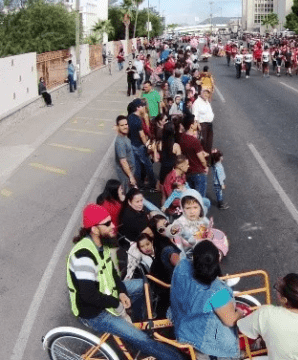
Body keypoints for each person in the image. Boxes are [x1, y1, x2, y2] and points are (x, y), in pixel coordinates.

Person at [67, 204, 184, 360]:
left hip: (109, 294)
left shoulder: (102, 244)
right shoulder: (84, 256)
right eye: (107, 224)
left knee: (145, 285)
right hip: (95, 312)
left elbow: (113, 274)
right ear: (94, 229)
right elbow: (89, 296)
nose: (113, 226)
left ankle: (136, 322)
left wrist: (121, 291)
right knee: (145, 341)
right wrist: (117, 304)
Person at [169, 241, 242, 360]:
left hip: (183, 327)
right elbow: (230, 321)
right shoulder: (218, 291)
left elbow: (175, 258)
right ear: (217, 260)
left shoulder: (182, 266)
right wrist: (240, 312)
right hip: (206, 341)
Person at [127, 99, 157, 191]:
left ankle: (140, 185)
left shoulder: (129, 117)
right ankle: (153, 184)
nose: (144, 107)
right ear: (138, 108)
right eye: (142, 106)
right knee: (148, 165)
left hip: (132, 145)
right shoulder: (138, 120)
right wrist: (148, 146)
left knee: (137, 167)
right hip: (139, 146)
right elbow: (142, 136)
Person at [180, 113, 209, 197]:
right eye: (195, 122)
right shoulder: (194, 141)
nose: (197, 123)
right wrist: (205, 166)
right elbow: (201, 159)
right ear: (191, 126)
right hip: (198, 172)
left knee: (191, 197)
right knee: (200, 199)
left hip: (188, 172)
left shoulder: (182, 138)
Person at [114, 115, 137, 192]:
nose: (125, 127)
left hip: (129, 172)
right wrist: (130, 176)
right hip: (125, 175)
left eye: (126, 124)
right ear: (118, 127)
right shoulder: (120, 142)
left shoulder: (125, 137)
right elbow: (123, 162)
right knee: (128, 194)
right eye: (122, 125)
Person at [192, 88, 215, 154]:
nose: (206, 95)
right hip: (202, 125)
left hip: (209, 125)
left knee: (209, 143)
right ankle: (202, 160)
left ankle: (208, 160)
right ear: (201, 93)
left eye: (207, 93)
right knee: (203, 144)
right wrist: (198, 126)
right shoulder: (197, 103)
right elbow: (195, 116)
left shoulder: (206, 101)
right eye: (205, 93)